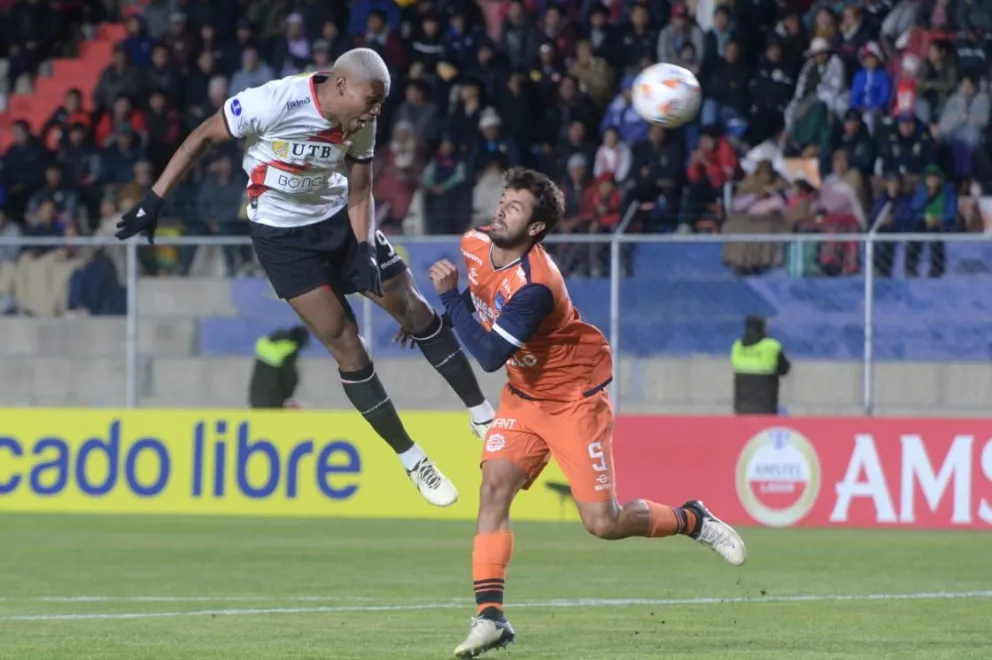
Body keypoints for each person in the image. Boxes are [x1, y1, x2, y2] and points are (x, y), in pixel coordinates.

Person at [114, 48, 498, 508]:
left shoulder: (363, 119)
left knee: (413, 307)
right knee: (348, 345)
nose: (376, 112)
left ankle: (483, 417)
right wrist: (154, 199)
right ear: (341, 86)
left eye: (380, 103)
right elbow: (201, 136)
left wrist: (363, 249)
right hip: (283, 241)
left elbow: (361, 190)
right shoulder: (273, 101)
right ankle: (412, 458)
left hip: (339, 219)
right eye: (372, 100)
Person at [425, 167, 746, 658]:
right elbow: (481, 301)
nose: (501, 208)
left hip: (573, 399)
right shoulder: (474, 242)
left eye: (515, 206)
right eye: (504, 198)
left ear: (536, 228)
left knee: (602, 522)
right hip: (524, 395)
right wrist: (441, 314)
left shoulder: (537, 283)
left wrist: (448, 301)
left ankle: (691, 519)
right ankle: (490, 617)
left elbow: (490, 354)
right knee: (494, 486)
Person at [731, 315, 790, 415]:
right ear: (763, 329)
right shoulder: (772, 346)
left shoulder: (737, 346)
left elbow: (734, 363)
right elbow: (784, 369)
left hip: (741, 406)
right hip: (765, 405)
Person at [249, 325, 310, 409]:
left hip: (255, 395)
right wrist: (288, 396)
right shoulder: (288, 351)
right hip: (271, 399)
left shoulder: (267, 342)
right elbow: (289, 378)